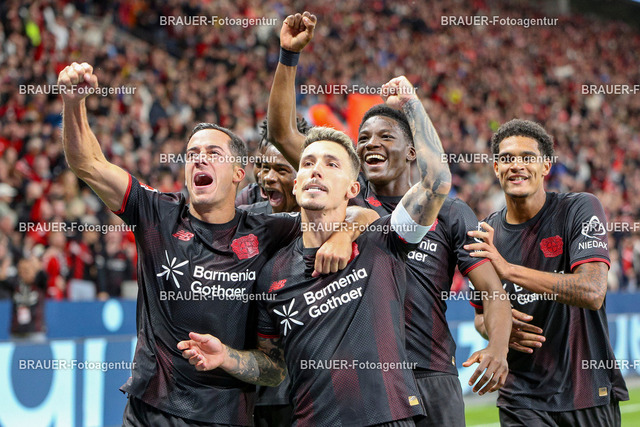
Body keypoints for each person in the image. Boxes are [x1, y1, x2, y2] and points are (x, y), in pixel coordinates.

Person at [58, 62, 371, 426]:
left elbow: (361, 212)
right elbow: (88, 163)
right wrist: (73, 103)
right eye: (192, 154)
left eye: (213, 153)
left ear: (239, 174)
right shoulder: (157, 214)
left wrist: (344, 234)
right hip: (151, 412)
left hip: (225, 416)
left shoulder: (268, 230)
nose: (199, 159)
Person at [178, 40, 453, 425]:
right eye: (307, 163)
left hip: (388, 418)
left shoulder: (383, 241)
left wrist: (410, 103)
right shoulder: (273, 273)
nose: (316, 170)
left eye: (331, 164)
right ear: (296, 182)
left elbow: (437, 181)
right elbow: (273, 367)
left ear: (353, 188)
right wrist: (227, 357)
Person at [266, 11, 512, 426]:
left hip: (430, 373)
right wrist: (289, 57)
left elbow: (492, 290)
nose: (370, 144)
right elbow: (282, 134)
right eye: (363, 139)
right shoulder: (346, 196)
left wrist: (498, 349)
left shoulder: (450, 212)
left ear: (412, 151)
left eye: (384, 137)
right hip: (369, 379)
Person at [466, 119, 629, 426]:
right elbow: (480, 316)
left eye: (527, 157)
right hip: (521, 398)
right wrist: (500, 328)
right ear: (496, 168)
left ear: (546, 166)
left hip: (585, 391)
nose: (517, 165)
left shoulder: (579, 209)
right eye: (507, 158)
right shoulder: (485, 234)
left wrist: (509, 270)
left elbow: (592, 291)